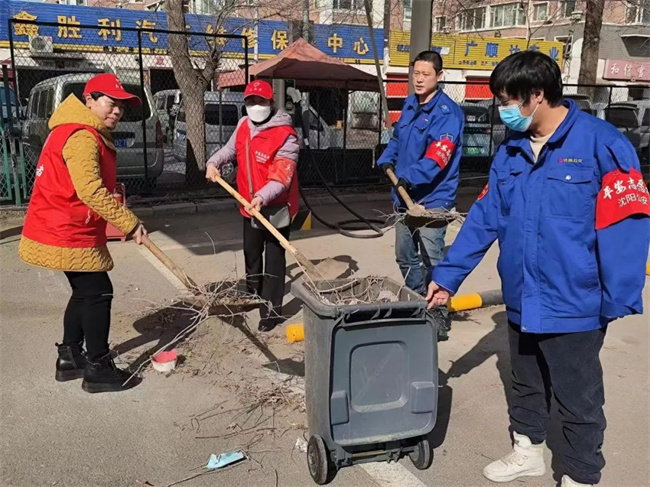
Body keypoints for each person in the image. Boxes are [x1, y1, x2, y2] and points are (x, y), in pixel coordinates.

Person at [427, 51, 650, 487]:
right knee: (525, 380)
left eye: (508, 100)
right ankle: (527, 452)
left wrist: (617, 297)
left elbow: (627, 223)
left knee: (577, 396)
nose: (503, 109)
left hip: (575, 300)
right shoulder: (511, 151)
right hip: (522, 295)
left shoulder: (601, 144)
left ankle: (581, 475)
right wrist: (447, 277)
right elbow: (484, 218)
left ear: (537, 95)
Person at [19, 73, 148, 394]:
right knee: (97, 292)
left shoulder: (76, 129)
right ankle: (98, 367)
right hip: (66, 228)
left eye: (121, 106)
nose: (117, 111)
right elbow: (90, 189)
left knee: (84, 291)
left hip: (65, 224)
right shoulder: (81, 136)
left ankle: (70, 357)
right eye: (110, 103)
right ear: (89, 100)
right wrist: (130, 223)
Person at [376, 50, 464, 336]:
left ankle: (439, 315)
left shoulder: (448, 114)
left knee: (432, 258)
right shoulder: (411, 104)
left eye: (426, 74)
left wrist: (408, 177)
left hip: (433, 198)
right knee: (405, 255)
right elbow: (397, 138)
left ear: (439, 76)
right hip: (403, 196)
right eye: (416, 74)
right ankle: (418, 303)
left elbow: (438, 156)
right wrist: (387, 159)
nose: (419, 79)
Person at [206, 80, 299, 332]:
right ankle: (252, 293)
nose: (255, 105)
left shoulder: (286, 136)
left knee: (274, 260)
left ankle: (271, 311)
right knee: (251, 252)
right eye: (250, 101)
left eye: (260, 101)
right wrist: (213, 162)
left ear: (271, 102)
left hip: (275, 206)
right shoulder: (243, 125)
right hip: (248, 204)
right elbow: (229, 150)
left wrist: (261, 197)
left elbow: (281, 177)